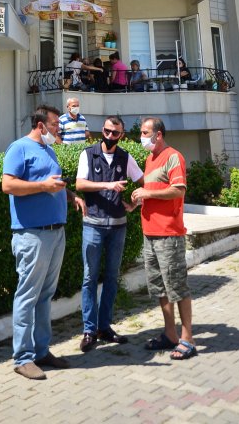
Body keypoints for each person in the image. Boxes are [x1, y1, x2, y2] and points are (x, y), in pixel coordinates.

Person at [1, 105, 85, 380]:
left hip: (54, 232)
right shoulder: (19, 148)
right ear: (40, 125)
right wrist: (43, 187)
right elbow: (8, 185)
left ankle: (41, 351)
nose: (58, 130)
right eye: (55, 126)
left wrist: (70, 195)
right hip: (32, 234)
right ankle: (22, 358)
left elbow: (53, 183)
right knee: (27, 296)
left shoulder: (48, 151)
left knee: (45, 296)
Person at [75, 115, 143, 351]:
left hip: (117, 225)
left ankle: (104, 327)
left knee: (112, 278)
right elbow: (80, 184)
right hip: (93, 224)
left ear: (121, 135)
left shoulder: (126, 157)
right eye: (106, 131)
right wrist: (107, 185)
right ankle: (89, 330)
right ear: (101, 131)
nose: (110, 136)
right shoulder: (88, 153)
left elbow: (144, 182)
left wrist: (136, 203)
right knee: (89, 278)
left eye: (115, 133)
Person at [131, 117, 196, 360]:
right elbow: (156, 192)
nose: (142, 136)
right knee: (160, 288)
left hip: (169, 234)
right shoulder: (149, 159)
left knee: (176, 286)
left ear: (158, 134)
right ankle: (170, 334)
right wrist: (138, 200)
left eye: (145, 132)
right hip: (150, 232)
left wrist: (148, 192)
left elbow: (178, 190)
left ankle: (187, 338)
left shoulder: (173, 157)